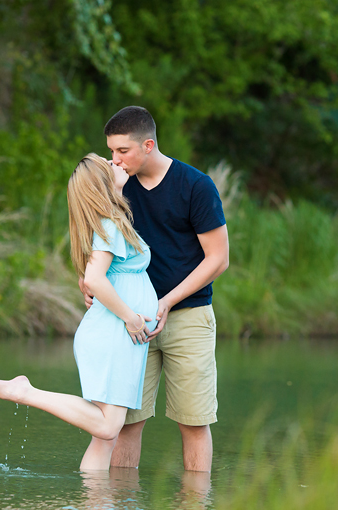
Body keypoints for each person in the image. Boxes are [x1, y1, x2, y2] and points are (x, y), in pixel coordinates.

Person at [0, 154, 159, 471]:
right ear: (101, 182)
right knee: (107, 427)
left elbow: (93, 278)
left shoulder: (111, 221)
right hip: (115, 333)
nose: (116, 162)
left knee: (105, 440)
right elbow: (94, 279)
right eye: (109, 164)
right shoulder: (110, 224)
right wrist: (131, 317)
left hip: (119, 337)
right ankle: (26, 392)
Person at [81, 106, 229, 473]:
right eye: (111, 151)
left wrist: (167, 301)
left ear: (148, 145)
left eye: (122, 152)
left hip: (188, 317)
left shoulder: (195, 186)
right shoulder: (116, 187)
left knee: (193, 422)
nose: (114, 160)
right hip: (129, 323)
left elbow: (218, 259)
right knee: (125, 423)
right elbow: (100, 248)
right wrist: (87, 284)